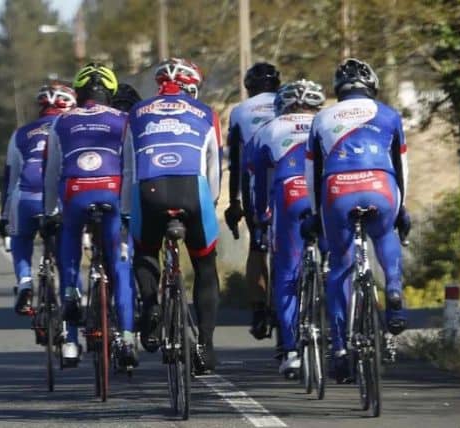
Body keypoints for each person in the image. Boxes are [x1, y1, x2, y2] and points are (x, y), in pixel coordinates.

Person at [303, 58, 412, 383]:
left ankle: (339, 348)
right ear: (372, 87)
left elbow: (313, 174)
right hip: (381, 185)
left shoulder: (322, 118)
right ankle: (393, 291)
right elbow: (403, 166)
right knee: (384, 234)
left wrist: (314, 213)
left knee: (340, 266)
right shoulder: (389, 114)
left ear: (339, 90)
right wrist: (401, 207)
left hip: (339, 190)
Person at [123, 58, 222, 374]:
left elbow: (129, 168)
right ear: (191, 86)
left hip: (149, 191)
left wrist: (128, 212)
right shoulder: (207, 114)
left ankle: (151, 307)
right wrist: (212, 201)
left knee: (145, 251)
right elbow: (214, 169)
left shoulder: (136, 114)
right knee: (205, 265)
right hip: (193, 191)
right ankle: (205, 345)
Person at [42, 63, 136, 369]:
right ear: (110, 92)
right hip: (111, 192)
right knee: (120, 265)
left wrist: (48, 212)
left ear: (79, 94)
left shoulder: (62, 121)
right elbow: (131, 168)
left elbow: (52, 170)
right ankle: (126, 337)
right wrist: (128, 211)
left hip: (75, 191)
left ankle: (70, 332)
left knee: (68, 242)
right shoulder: (124, 119)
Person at [248, 80, 326, 377]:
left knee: (286, 273)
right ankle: (346, 343)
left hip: (289, 195)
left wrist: (259, 218)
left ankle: (292, 350)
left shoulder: (268, 129)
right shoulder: (325, 122)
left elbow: (257, 182)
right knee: (341, 265)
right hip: (324, 195)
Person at [0, 83, 78, 315]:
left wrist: (4, 217)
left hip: (25, 197)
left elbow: (10, 177)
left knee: (21, 238)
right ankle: (72, 297)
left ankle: (24, 281)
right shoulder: (73, 127)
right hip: (60, 199)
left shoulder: (21, 133)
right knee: (68, 256)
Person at [225, 62, 281, 340]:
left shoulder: (239, 112)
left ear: (248, 89)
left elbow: (234, 162)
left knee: (257, 250)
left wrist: (234, 201)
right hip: (290, 180)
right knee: (290, 245)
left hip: (253, 184)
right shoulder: (288, 102)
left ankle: (259, 312)